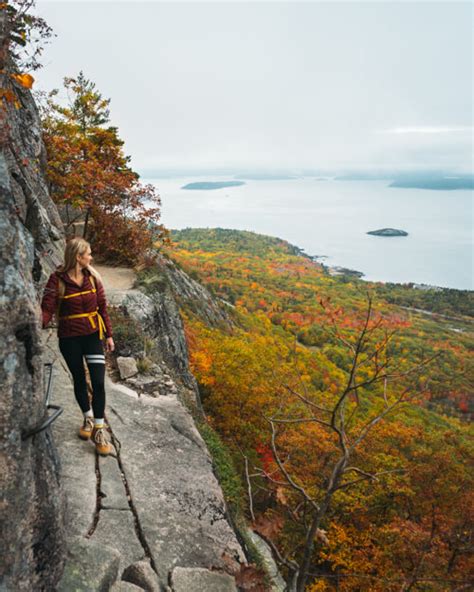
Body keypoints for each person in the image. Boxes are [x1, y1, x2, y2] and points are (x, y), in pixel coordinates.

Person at [41, 237, 115, 456]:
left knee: (99, 382)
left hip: (93, 336)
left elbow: (102, 309)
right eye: (88, 254)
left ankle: (99, 429)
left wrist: (109, 336)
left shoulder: (93, 278)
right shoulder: (56, 280)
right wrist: (37, 322)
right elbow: (47, 309)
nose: (91, 257)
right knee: (79, 380)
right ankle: (88, 418)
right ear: (78, 257)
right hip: (69, 339)